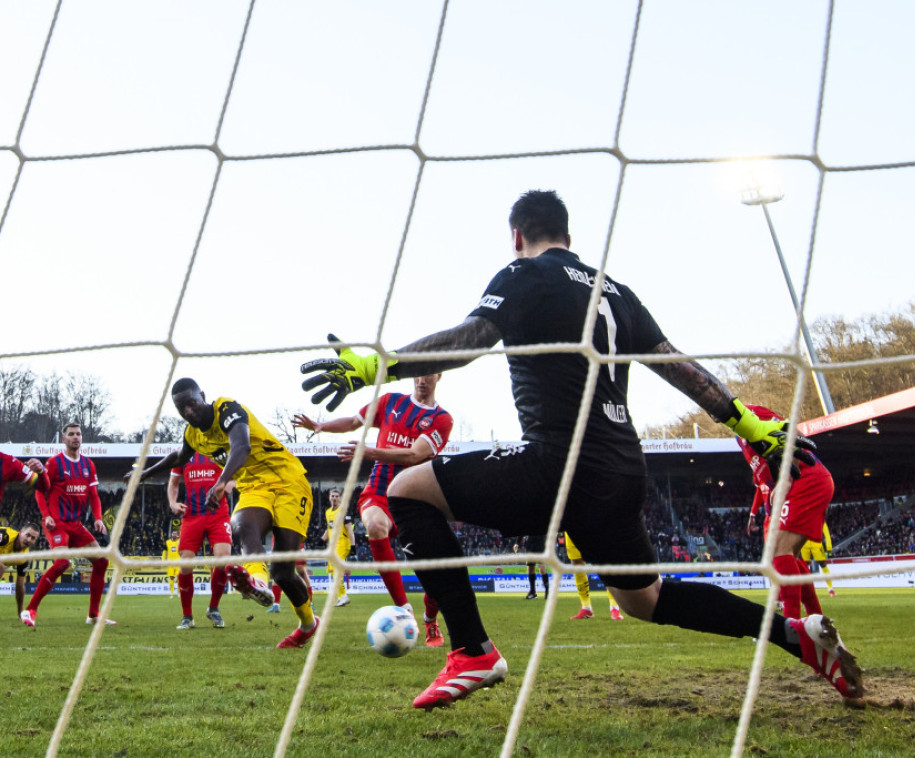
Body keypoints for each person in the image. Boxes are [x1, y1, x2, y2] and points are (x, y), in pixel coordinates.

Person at [299, 189, 863, 710]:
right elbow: (680, 369)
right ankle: (797, 636)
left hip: (557, 462)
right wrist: (746, 425)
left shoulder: (522, 275)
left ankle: (472, 651)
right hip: (621, 469)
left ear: (516, 236)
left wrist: (379, 365)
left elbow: (469, 341)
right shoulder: (615, 291)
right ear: (567, 233)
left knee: (406, 490)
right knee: (647, 600)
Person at [130, 379, 318, 649]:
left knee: (284, 572)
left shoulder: (227, 409)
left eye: (192, 403)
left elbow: (241, 446)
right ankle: (258, 582)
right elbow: (180, 457)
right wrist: (145, 473)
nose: (188, 411)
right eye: (181, 408)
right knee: (242, 526)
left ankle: (308, 624)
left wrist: (221, 483)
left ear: (202, 396)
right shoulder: (193, 435)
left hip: (288, 481)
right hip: (254, 487)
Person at [292, 372, 452, 648]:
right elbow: (354, 422)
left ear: (438, 375)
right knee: (375, 526)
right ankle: (404, 608)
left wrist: (370, 452)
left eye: (428, 373)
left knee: (437, 579)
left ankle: (429, 619)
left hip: (417, 499)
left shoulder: (441, 419)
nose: (421, 379)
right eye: (418, 373)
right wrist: (320, 426)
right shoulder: (389, 401)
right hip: (378, 492)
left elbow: (415, 454)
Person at [741, 405, 836, 619]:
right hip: (784, 498)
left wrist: (787, 477)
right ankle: (816, 623)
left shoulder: (749, 413)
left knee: (779, 552)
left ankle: (791, 624)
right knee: (786, 556)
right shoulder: (740, 437)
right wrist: (753, 513)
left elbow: (791, 429)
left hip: (804, 480)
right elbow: (761, 483)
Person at [22, 422, 118, 628]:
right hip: (56, 523)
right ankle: (30, 610)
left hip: (76, 524)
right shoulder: (55, 463)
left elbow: (93, 495)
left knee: (101, 561)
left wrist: (98, 518)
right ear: (63, 439)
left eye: (79, 434)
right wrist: (46, 514)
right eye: (71, 434)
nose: (76, 437)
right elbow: (40, 490)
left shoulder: (88, 465)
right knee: (62, 563)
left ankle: (93, 615)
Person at [167, 453, 234, 629]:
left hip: (218, 514)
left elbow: (235, 478)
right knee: (185, 564)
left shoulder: (220, 450)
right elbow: (173, 483)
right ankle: (187, 616)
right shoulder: (184, 453)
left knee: (223, 559)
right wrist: (173, 503)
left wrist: (225, 488)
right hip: (192, 515)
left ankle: (214, 608)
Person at [565, 531, 622, 621]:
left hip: (597, 520)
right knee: (576, 563)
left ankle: (614, 608)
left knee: (607, 559)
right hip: (572, 523)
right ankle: (586, 608)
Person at [322, 488, 355, 607]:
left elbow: (350, 531)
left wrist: (353, 546)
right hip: (333, 546)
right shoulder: (328, 512)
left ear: (340, 498)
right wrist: (322, 540)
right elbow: (329, 528)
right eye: (332, 496)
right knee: (331, 570)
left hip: (343, 543)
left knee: (336, 569)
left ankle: (343, 596)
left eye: (336, 496)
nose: (334, 498)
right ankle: (341, 596)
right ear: (329, 498)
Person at [0, 523, 41, 617]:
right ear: (21, 532)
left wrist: (20, 612)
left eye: (33, 538)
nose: (29, 540)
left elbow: (19, 585)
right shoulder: (5, 535)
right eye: (27, 535)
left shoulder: (24, 558)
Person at [800, 523, 836, 597]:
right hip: (813, 544)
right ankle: (830, 590)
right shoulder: (818, 517)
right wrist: (829, 547)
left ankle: (830, 589)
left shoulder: (806, 516)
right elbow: (826, 533)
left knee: (805, 568)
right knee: (822, 565)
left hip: (807, 544)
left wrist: (829, 546)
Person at [514, 535, 548, 600]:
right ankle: (533, 592)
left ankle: (545, 592)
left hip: (538, 543)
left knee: (540, 566)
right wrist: (517, 543)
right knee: (532, 567)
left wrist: (517, 543)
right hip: (533, 544)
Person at [163, 529, 181, 598]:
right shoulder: (167, 542)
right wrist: (164, 560)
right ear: (171, 534)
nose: (174, 535)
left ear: (177, 535)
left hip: (178, 562)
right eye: (173, 534)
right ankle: (171, 593)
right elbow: (164, 551)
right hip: (170, 563)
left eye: (176, 534)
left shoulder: (179, 542)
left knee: (179, 578)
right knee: (171, 577)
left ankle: (178, 593)